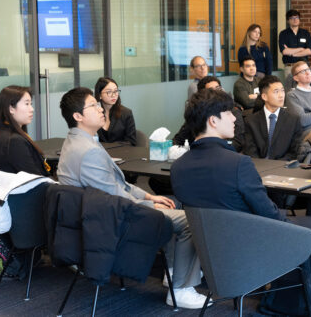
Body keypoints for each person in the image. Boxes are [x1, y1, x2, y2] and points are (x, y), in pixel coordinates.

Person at [170, 89, 311, 314]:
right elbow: (270, 215)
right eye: (229, 113)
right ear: (213, 120)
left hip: (214, 253)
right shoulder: (238, 164)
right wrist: (286, 215)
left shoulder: (178, 168)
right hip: (255, 245)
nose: (235, 118)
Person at [56, 87, 208, 309]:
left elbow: (118, 185)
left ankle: (175, 272)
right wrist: (149, 203)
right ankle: (181, 288)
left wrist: (147, 195)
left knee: (167, 201)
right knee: (188, 220)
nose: (101, 109)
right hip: (108, 220)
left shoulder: (79, 142)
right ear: (78, 116)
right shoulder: (87, 151)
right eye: (93, 105)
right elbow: (115, 197)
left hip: (97, 213)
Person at [0, 86, 50, 177]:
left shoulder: (0, 132)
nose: (32, 109)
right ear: (11, 108)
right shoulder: (14, 141)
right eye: (27, 104)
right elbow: (35, 179)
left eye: (31, 104)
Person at [173, 76, 245, 153]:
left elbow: (238, 142)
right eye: (211, 90)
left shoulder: (233, 111)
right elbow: (178, 140)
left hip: (225, 155)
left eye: (218, 88)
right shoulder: (198, 114)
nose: (217, 93)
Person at [243, 75, 303, 160]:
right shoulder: (250, 121)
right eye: (276, 92)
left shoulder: (293, 120)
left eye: (282, 91)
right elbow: (250, 151)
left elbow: (294, 152)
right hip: (258, 166)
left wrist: (275, 166)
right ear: (264, 96)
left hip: (282, 168)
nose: (281, 95)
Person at [94, 77, 137, 145]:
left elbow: (131, 141)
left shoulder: (126, 113)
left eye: (116, 91)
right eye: (109, 92)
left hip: (121, 153)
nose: (114, 95)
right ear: (100, 95)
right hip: (98, 153)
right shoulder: (93, 113)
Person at [279, 9, 311, 76]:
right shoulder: (283, 34)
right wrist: (301, 49)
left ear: (299, 19)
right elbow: (284, 51)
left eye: (297, 17)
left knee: (304, 86)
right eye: (292, 18)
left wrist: (292, 54)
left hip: (303, 66)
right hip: (289, 67)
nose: (295, 20)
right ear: (288, 20)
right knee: (290, 86)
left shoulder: (305, 33)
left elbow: (309, 51)